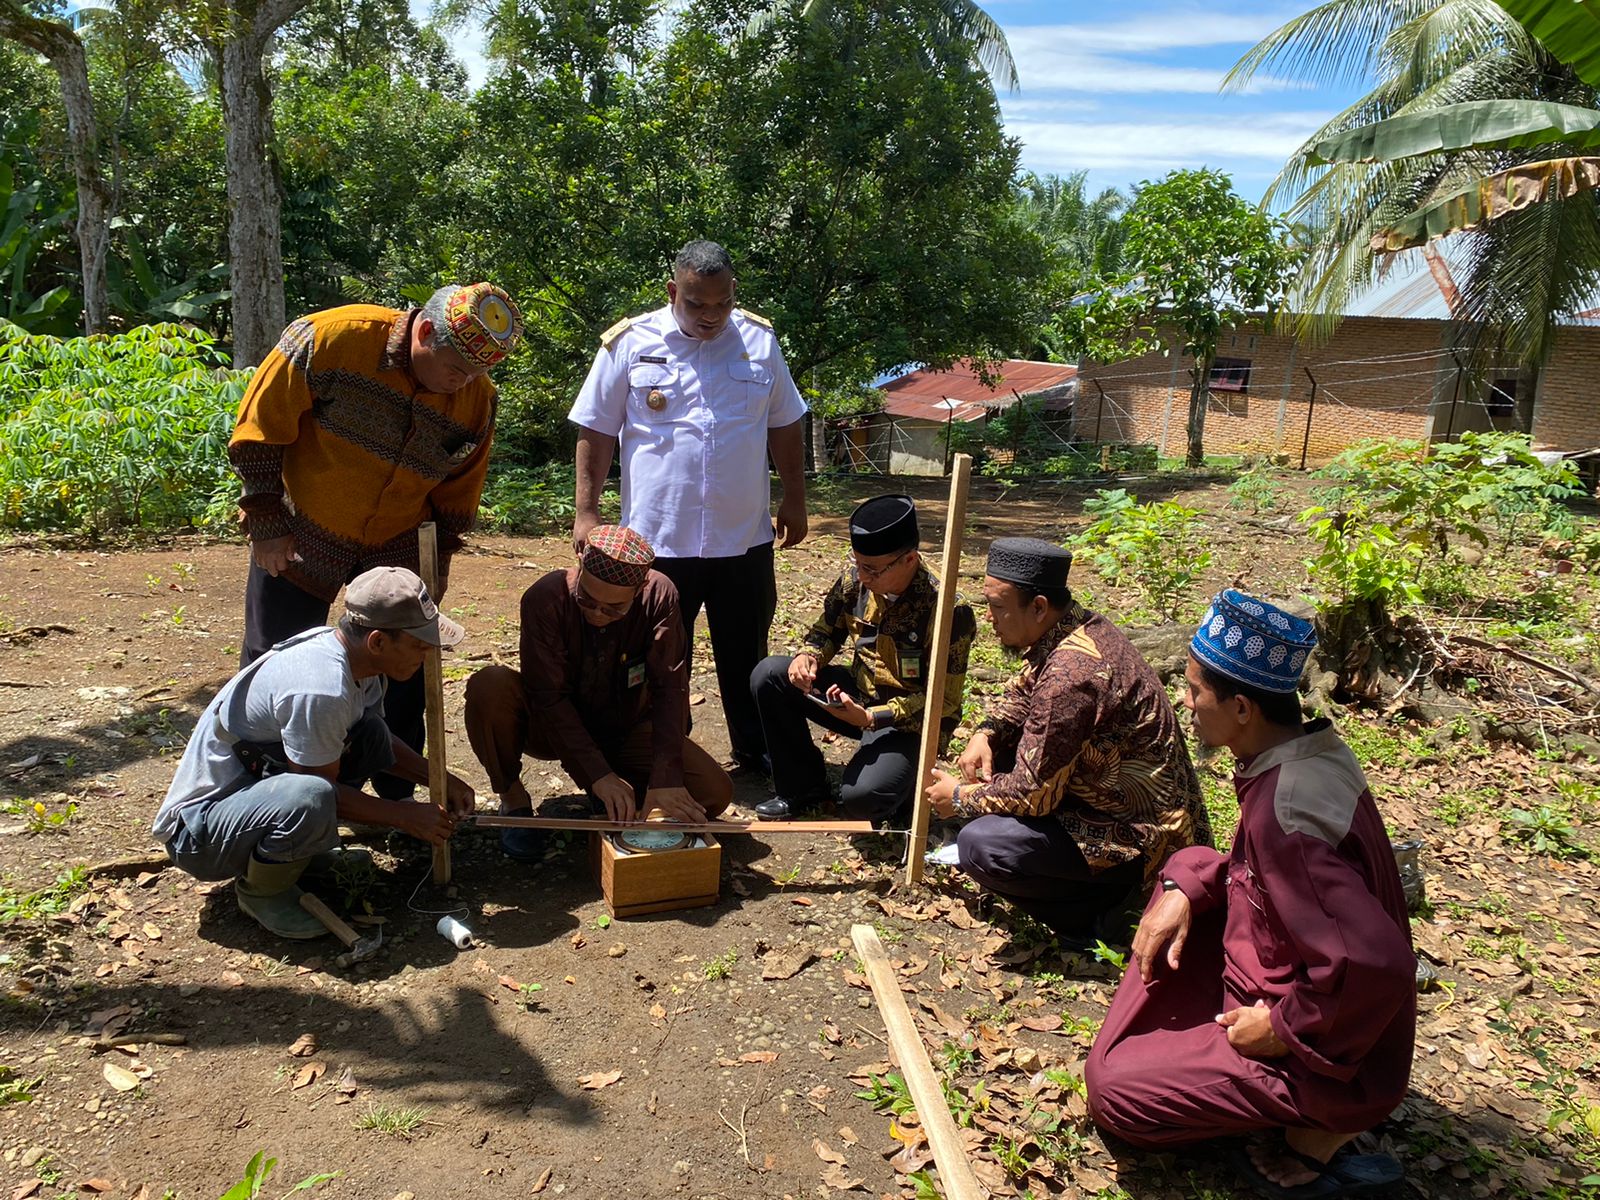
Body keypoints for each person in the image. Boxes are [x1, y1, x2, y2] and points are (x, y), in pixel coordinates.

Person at [1085, 591, 1414, 1199]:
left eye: (1193, 690)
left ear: (1241, 707)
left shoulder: (1287, 811)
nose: (1185, 703)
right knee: (1167, 911)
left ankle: (1317, 1127)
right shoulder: (1305, 754)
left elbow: (1378, 962)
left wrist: (1281, 1030)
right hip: (1280, 973)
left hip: (1331, 1045)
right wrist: (1184, 886)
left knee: (1115, 1092)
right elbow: (1248, 874)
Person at [228, 282, 523, 797]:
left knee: (405, 668)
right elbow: (261, 427)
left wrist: (438, 562)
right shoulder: (329, 339)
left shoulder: (476, 398)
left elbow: (461, 483)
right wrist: (266, 522)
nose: (465, 383)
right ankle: (266, 794)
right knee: (276, 659)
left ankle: (398, 798)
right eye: (457, 368)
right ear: (426, 331)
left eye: (478, 373)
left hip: (398, 545)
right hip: (301, 533)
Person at [568, 240, 808, 775]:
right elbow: (596, 428)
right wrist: (587, 511)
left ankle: (754, 750)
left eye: (721, 304)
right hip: (657, 541)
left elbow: (785, 422)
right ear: (674, 291)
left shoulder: (760, 343)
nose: (711, 316)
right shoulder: (631, 343)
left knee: (746, 652)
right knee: (653, 655)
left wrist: (794, 496)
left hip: (742, 539)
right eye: (697, 304)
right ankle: (656, 751)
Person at [153, 568, 476, 941]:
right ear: (377, 641)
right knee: (312, 797)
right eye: (419, 646)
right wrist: (402, 816)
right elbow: (319, 790)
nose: (428, 655)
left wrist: (440, 778)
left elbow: (379, 742)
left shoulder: (357, 659)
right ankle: (263, 892)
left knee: (369, 732)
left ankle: (299, 857)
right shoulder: (320, 688)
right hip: (199, 835)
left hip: (253, 796)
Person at [925, 537, 1210, 940]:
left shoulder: (1072, 674)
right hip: (1103, 798)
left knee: (982, 845)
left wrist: (958, 798)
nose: (989, 617)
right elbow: (1026, 690)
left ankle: (1106, 917)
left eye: (998, 606)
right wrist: (987, 731)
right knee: (1001, 754)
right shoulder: (1074, 627)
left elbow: (1032, 794)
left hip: (1142, 839)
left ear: (1039, 606)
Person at [463, 525, 733, 862]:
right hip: (550, 728)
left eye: (613, 609)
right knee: (490, 686)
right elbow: (548, 696)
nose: (597, 615)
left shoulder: (661, 596)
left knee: (714, 792)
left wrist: (666, 780)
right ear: (579, 567)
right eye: (587, 601)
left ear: (639, 589)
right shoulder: (545, 598)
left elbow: (670, 689)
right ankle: (513, 800)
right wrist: (596, 775)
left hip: (627, 727)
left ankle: (625, 795)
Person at [748, 495, 975, 822]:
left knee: (861, 799)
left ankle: (905, 787)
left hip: (908, 722)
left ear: (909, 560)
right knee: (770, 675)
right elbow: (825, 631)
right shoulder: (856, 579)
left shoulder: (948, 609)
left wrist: (872, 718)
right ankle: (802, 787)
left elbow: (945, 702)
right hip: (857, 695)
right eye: (858, 564)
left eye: (872, 569)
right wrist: (808, 657)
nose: (863, 576)